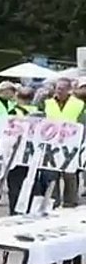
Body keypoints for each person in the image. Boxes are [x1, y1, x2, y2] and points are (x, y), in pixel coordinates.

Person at [43, 77, 83, 208]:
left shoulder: (79, 104)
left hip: (71, 144)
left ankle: (70, 201)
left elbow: (83, 122)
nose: (58, 91)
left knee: (70, 174)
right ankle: (53, 201)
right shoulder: (47, 103)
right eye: (57, 88)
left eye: (62, 89)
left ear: (69, 90)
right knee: (51, 174)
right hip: (51, 144)